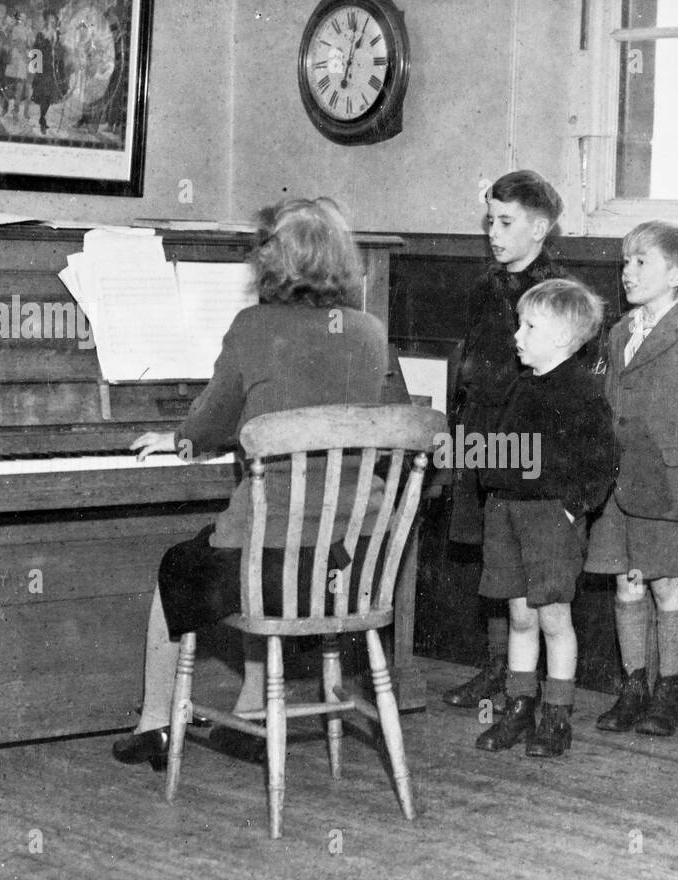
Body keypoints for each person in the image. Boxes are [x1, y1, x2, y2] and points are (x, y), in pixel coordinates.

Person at [111, 198, 404, 769]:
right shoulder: (370, 332)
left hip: (271, 570)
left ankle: (154, 724)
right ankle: (249, 713)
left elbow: (211, 424)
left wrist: (180, 438)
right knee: (263, 532)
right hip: (347, 565)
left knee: (187, 560)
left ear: (273, 261)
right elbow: (396, 421)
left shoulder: (253, 326)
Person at [586, 220, 678, 738]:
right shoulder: (622, 330)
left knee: (667, 583)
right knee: (627, 583)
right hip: (619, 485)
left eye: (640, 262)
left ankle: (668, 691)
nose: (627, 272)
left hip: (669, 485)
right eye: (625, 261)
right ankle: (634, 686)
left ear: (676, 274)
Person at [473, 278, 618, 757]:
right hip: (507, 514)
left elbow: (602, 462)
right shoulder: (520, 385)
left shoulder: (583, 391)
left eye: (529, 326)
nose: (518, 334)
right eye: (519, 323)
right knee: (519, 615)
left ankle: (556, 715)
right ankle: (519, 708)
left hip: (551, 521)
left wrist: (573, 508)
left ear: (560, 338)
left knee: (554, 618)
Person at [441, 170, 569, 711]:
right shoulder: (484, 287)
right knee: (492, 556)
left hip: (523, 445)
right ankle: (498, 667)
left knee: (524, 564)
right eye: (490, 220)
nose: (494, 232)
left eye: (506, 222)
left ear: (539, 229)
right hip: (479, 435)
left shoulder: (554, 294)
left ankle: (527, 680)